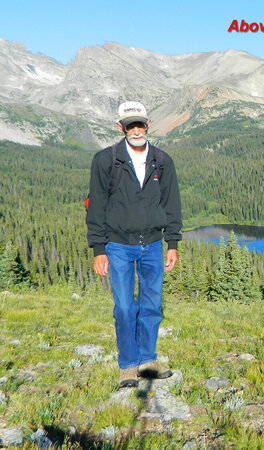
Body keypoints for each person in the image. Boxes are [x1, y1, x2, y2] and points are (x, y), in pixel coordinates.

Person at [87, 101, 182, 388]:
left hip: (152, 243)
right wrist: (98, 249)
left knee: (152, 304)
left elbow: (171, 203)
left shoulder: (162, 161)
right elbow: (97, 206)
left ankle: (148, 360)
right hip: (117, 245)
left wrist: (173, 242)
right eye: (130, 126)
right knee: (125, 307)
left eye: (140, 124)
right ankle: (129, 365)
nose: (136, 130)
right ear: (121, 128)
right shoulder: (105, 160)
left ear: (148, 125)